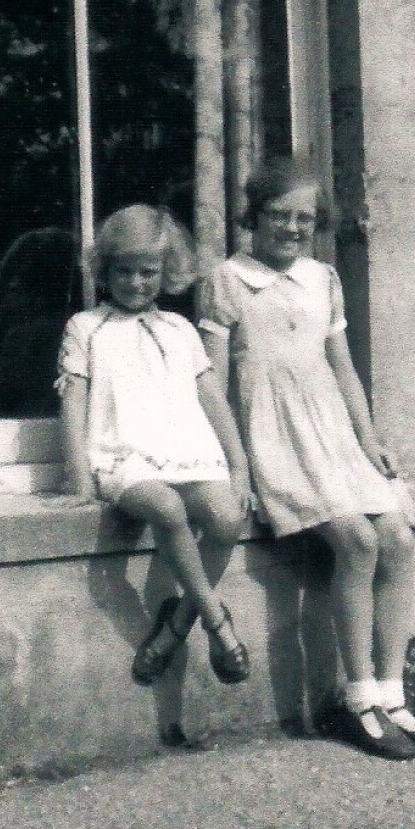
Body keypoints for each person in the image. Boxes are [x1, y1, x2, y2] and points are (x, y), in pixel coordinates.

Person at [199, 157, 415, 758]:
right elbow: (205, 379)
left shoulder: (324, 279)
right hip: (273, 439)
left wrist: (368, 441)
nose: (291, 227)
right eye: (279, 215)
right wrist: (235, 466)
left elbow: (342, 368)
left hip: (334, 436)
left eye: (304, 218)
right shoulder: (226, 280)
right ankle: (357, 699)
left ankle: (393, 695)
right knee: (357, 543)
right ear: (253, 217)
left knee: (396, 537)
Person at [56, 204, 252, 687]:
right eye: (123, 271)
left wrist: (239, 466)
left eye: (148, 272)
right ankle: (219, 625)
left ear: (168, 274)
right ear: (105, 271)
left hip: (186, 452)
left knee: (227, 517)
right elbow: (73, 405)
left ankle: (176, 626)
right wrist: (80, 478)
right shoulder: (85, 327)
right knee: (165, 508)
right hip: (123, 456)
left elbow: (213, 401)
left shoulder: (180, 330)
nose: (136, 283)